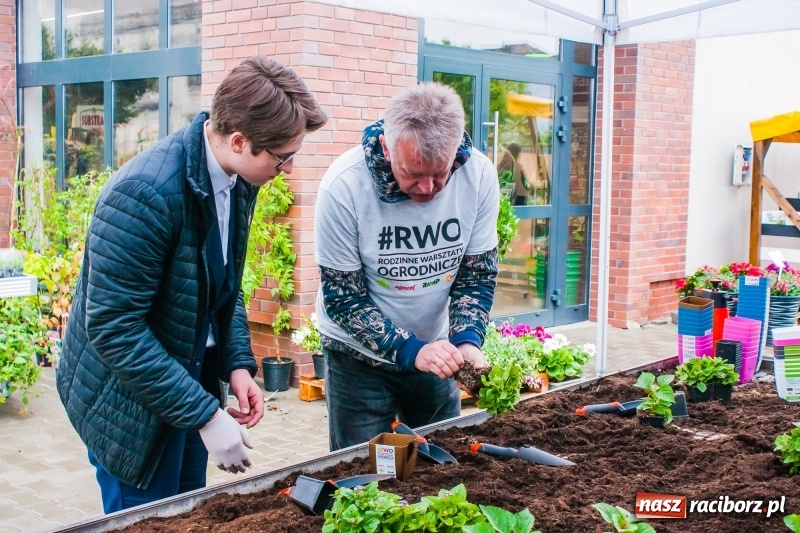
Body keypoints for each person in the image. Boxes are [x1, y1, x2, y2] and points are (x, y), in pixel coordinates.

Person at [56, 56, 327, 513]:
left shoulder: (237, 179)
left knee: (186, 513)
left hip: (186, 379)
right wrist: (205, 415)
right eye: (283, 156)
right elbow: (114, 330)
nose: (288, 167)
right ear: (238, 141)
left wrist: (237, 365)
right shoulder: (144, 194)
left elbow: (222, 284)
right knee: (150, 518)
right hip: (128, 405)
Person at [314, 82, 500, 451]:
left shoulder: (478, 176)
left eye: (440, 172)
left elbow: (476, 274)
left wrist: (466, 342)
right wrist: (411, 350)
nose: (428, 188)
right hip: (359, 359)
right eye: (413, 172)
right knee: (366, 469)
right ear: (387, 147)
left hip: (437, 351)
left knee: (439, 462)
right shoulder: (344, 185)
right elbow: (344, 299)